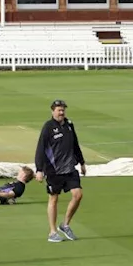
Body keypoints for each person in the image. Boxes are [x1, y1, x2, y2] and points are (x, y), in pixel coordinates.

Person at [35, 99, 86, 242]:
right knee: (54, 198)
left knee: (78, 194)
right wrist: (39, 169)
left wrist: (82, 162)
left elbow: (75, 144)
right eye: (59, 110)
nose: (61, 112)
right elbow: (40, 148)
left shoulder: (69, 125)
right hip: (54, 170)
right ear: (53, 111)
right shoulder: (48, 127)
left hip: (70, 168)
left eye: (63, 110)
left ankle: (65, 224)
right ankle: (52, 232)